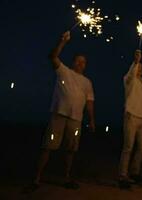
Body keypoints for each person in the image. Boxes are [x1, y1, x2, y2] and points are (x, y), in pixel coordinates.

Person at [28, 31, 95, 191]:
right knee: (48, 146)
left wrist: (91, 119)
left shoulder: (87, 82)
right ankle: (37, 178)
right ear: (73, 62)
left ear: (85, 65)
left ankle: (66, 178)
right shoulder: (64, 71)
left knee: (71, 149)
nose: (80, 64)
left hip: (76, 119)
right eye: (78, 61)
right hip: (59, 115)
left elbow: (90, 102)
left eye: (83, 62)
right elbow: (52, 57)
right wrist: (62, 42)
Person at [118, 50, 142, 189]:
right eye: (137, 68)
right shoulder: (129, 81)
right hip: (131, 116)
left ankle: (134, 173)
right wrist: (136, 61)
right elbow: (130, 75)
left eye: (141, 68)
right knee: (128, 147)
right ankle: (122, 176)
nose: (139, 69)